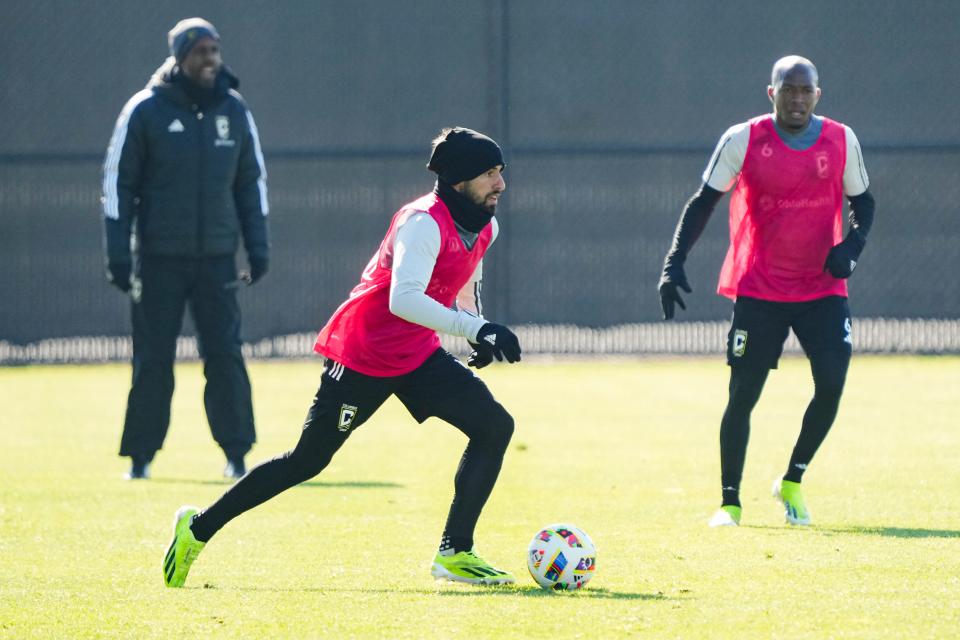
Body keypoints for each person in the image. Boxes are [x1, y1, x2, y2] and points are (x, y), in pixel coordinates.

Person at [162, 127, 522, 588]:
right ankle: (196, 530)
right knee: (307, 461)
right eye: (490, 174)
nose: (500, 184)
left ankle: (456, 553)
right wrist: (478, 328)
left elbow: (466, 282)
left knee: (494, 426)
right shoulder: (423, 222)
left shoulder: (486, 224)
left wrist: (477, 327)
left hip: (416, 354)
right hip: (363, 354)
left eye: (500, 172)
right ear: (459, 180)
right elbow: (403, 299)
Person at [657, 56, 875, 527]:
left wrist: (852, 246)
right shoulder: (743, 139)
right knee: (743, 396)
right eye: (788, 89)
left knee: (832, 384)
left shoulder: (841, 139)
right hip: (761, 289)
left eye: (806, 90)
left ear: (818, 94)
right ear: (771, 93)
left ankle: (792, 479)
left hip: (822, 287)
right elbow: (703, 203)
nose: (797, 98)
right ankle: (729, 503)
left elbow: (864, 203)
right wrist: (674, 263)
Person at [101, 18, 269, 481]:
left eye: (215, 50)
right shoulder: (145, 111)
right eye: (201, 52)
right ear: (180, 57)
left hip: (216, 259)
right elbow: (120, 186)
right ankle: (141, 457)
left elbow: (250, 185)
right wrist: (118, 253)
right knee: (153, 358)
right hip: (158, 260)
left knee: (225, 354)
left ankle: (237, 453)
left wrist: (258, 249)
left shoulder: (233, 111)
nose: (210, 60)